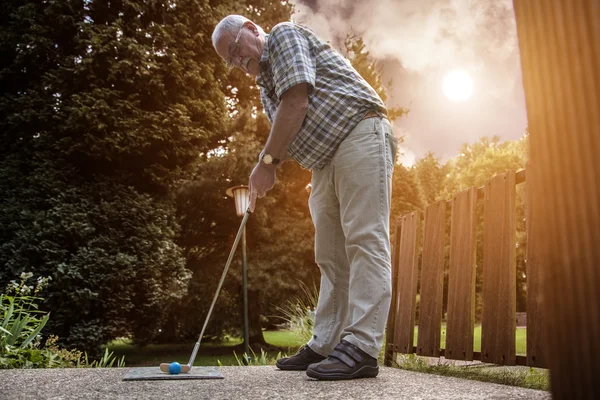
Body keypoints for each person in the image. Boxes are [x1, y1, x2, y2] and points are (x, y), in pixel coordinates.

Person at [212, 15, 397, 381]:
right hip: (328, 161)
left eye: (234, 50)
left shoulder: (282, 35)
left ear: (251, 28)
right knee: (329, 253)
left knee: (364, 237)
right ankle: (327, 342)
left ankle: (362, 346)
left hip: (360, 133)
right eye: (229, 60)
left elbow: (297, 102)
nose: (236, 61)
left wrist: (267, 163)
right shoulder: (266, 87)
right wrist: (320, 172)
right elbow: (295, 125)